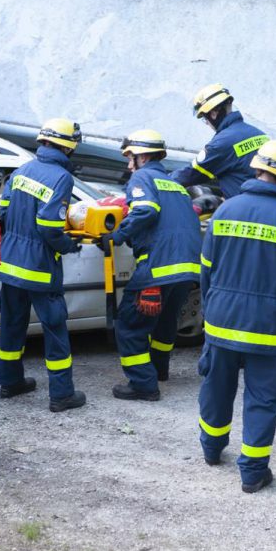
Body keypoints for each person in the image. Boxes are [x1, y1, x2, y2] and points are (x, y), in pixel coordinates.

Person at [197, 140, 276, 493]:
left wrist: (214, 306)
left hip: (221, 321)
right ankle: (252, 473)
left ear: (256, 169)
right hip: (269, 328)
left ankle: (211, 449)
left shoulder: (225, 210)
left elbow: (206, 270)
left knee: (216, 387)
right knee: (263, 398)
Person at [97, 129, 202, 400]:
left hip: (157, 268)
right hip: (186, 270)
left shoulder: (142, 178)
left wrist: (116, 236)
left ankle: (143, 384)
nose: (127, 163)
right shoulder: (175, 185)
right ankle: (158, 370)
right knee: (165, 323)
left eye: (130, 157)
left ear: (142, 157)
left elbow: (146, 211)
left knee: (129, 326)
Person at [0, 118, 87, 412]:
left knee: (12, 324)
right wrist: (69, 245)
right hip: (39, 268)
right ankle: (62, 394)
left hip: (10, 263)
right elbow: (48, 226)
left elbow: (4, 210)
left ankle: (10, 382)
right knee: (55, 327)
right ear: (69, 147)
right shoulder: (61, 178)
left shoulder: (22, 170)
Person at [172, 84, 268, 199]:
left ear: (213, 113)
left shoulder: (221, 144)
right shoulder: (260, 134)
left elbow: (190, 174)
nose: (207, 123)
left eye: (204, 118)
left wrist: (159, 180)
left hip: (243, 211)